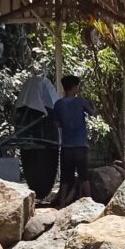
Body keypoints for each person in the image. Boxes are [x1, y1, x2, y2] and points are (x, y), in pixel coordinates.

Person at [52, 74, 95, 207]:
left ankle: (62, 202)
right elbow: (93, 112)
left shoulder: (58, 104)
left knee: (65, 177)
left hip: (67, 145)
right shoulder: (80, 101)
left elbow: (56, 124)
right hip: (81, 144)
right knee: (84, 175)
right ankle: (89, 202)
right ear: (75, 87)